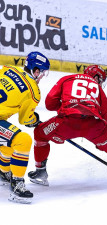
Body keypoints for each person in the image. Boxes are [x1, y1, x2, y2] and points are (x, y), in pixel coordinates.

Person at [27, 65, 107, 188]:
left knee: (40, 133)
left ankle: (40, 172)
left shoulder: (67, 78)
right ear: (96, 77)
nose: (100, 83)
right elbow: (106, 116)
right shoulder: (98, 89)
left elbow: (49, 103)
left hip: (67, 122)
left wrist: (65, 108)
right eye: (100, 80)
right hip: (94, 125)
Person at [0, 51, 50, 204]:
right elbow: (25, 120)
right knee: (23, 140)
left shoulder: (7, 69)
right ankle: (17, 184)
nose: (41, 76)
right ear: (36, 71)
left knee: (10, 140)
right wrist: (35, 119)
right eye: (42, 73)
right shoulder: (33, 91)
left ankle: (3, 172)